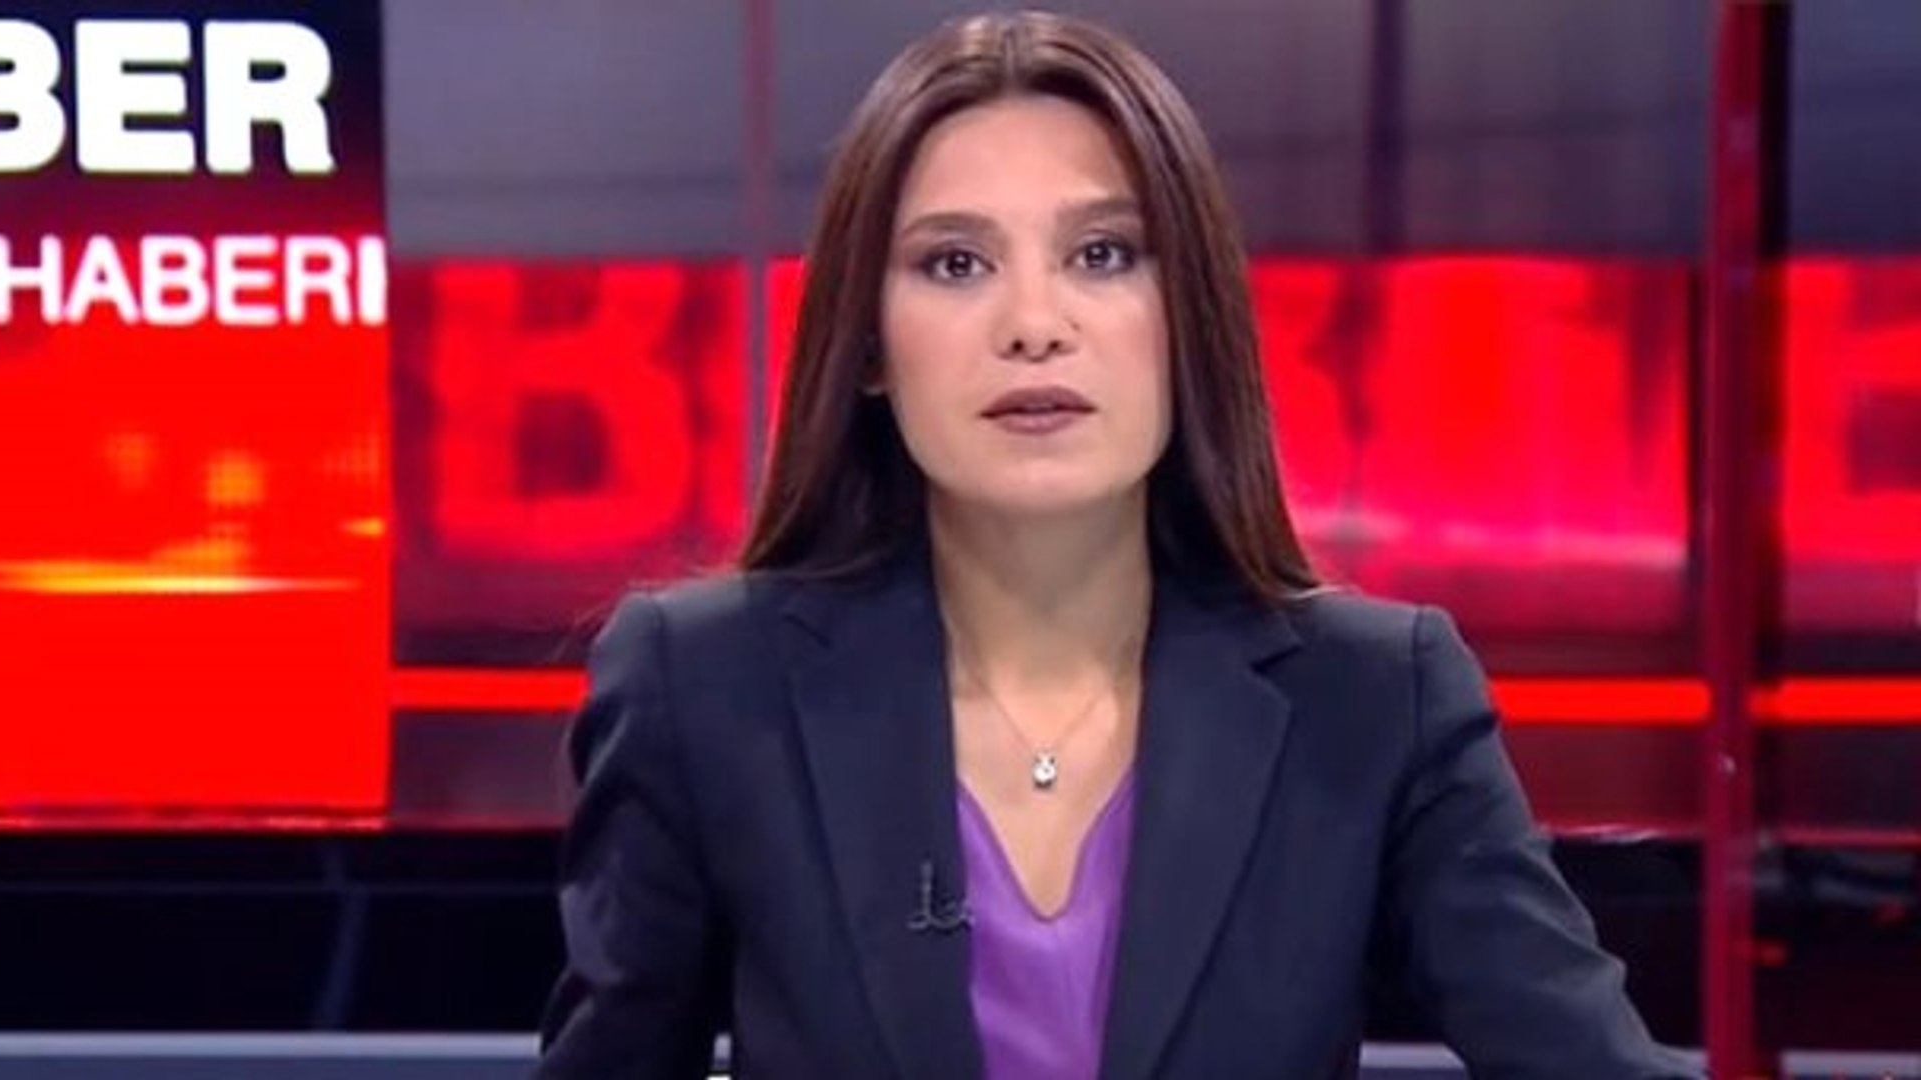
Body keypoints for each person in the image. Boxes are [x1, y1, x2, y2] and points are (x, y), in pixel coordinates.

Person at [535, 10, 1696, 1079]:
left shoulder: (1375, 700)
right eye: (954, 263)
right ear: (870, 344)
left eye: (1101, 255)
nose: (1035, 325)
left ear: (1187, 316)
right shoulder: (706, 689)